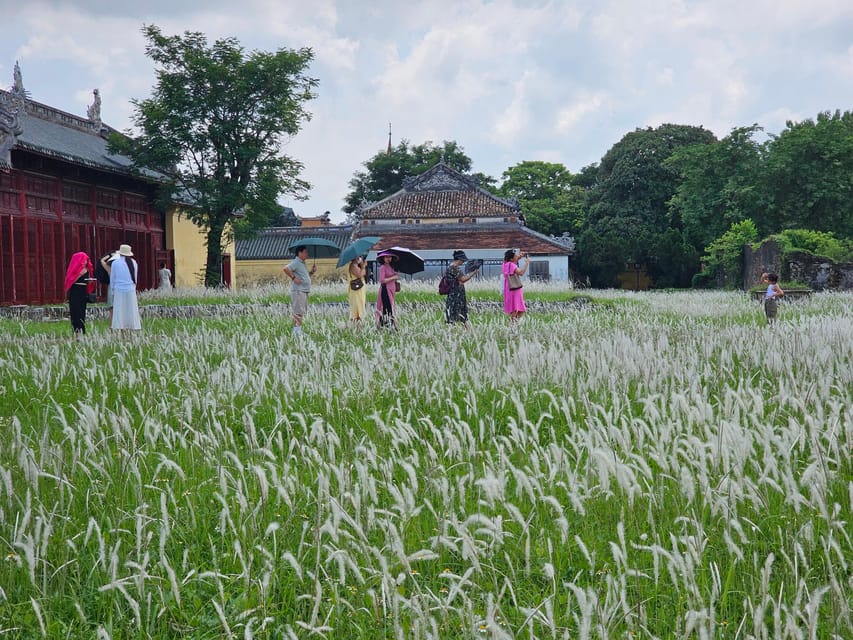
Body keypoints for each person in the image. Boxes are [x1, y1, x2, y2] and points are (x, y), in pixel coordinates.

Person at [101, 244, 141, 331]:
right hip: (130, 290)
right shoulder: (134, 263)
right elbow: (135, 278)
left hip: (119, 290)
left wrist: (112, 291)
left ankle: (120, 329)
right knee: (131, 310)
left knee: (120, 311)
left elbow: (113, 278)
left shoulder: (115, 263)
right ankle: (131, 329)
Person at [283, 245, 316, 335]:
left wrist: (312, 272)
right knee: (298, 311)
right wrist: (294, 278)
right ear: (299, 253)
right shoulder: (296, 262)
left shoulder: (302, 263)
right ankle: (297, 331)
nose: (307, 254)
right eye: (305, 252)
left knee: (300, 311)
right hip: (298, 290)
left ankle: (298, 330)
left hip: (303, 290)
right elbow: (286, 268)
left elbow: (304, 277)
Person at [445, 250, 479, 328]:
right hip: (457, 294)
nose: (463, 262)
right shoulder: (454, 268)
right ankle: (465, 330)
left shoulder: (450, 267)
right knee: (460, 312)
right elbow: (463, 279)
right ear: (459, 259)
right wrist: (473, 273)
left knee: (454, 312)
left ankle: (459, 329)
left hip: (453, 293)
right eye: (462, 260)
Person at [65, 252, 94, 337]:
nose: (85, 261)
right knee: (76, 311)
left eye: (86, 260)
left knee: (82, 311)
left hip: (83, 291)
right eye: (84, 260)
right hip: (75, 291)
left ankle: (82, 330)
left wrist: (89, 281)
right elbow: (70, 281)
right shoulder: (75, 269)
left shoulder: (87, 269)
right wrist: (79, 274)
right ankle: (77, 331)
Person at [502, 248, 530, 329]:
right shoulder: (512, 265)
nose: (517, 256)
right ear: (511, 258)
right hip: (515, 289)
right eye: (516, 256)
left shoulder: (505, 264)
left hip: (509, 289)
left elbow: (512, 262)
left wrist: (519, 257)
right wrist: (527, 263)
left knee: (517, 309)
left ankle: (513, 325)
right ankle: (512, 326)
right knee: (517, 309)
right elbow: (521, 273)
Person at [375, 251, 400, 330]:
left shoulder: (392, 267)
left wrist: (396, 276)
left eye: (390, 257)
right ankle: (388, 325)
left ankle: (387, 325)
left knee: (391, 306)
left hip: (392, 289)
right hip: (385, 289)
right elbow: (382, 280)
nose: (388, 259)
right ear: (383, 258)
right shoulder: (383, 267)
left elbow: (394, 278)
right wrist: (393, 277)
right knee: (387, 307)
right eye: (386, 257)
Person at [347, 256, 369, 328]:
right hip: (356, 292)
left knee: (361, 305)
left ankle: (358, 325)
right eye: (358, 257)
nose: (359, 258)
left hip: (360, 290)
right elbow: (360, 275)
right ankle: (356, 326)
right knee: (357, 307)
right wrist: (363, 266)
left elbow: (364, 273)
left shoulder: (356, 266)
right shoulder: (353, 266)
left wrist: (362, 266)